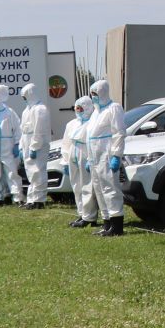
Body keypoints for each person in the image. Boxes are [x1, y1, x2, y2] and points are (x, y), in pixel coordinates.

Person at [85, 78, 127, 238]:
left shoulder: (113, 108)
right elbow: (90, 136)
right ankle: (107, 222)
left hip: (106, 155)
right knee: (99, 188)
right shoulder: (96, 112)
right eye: (91, 94)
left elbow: (119, 132)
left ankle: (116, 224)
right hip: (95, 157)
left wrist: (116, 154)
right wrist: (89, 159)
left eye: (95, 93)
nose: (93, 96)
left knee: (110, 188)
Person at [17, 82, 52, 208]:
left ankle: (39, 200)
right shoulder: (27, 110)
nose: (24, 100)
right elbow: (23, 130)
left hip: (38, 144)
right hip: (27, 142)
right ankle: (31, 199)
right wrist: (22, 146)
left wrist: (34, 146)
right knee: (31, 172)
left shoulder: (40, 109)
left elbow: (39, 131)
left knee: (38, 171)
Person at [64, 94, 95, 228]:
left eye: (81, 109)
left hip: (85, 153)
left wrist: (90, 158)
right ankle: (82, 213)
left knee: (87, 185)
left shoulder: (92, 123)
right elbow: (66, 143)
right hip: (73, 153)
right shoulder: (72, 124)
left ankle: (89, 216)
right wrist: (65, 161)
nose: (78, 111)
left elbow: (93, 143)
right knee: (76, 185)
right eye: (77, 108)